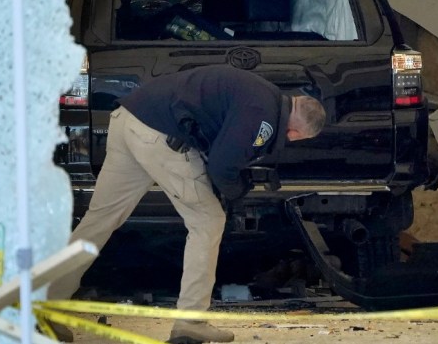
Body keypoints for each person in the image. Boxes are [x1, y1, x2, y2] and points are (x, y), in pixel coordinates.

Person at [46, 65, 326, 344]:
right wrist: (237, 190)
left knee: (100, 219)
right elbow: (222, 165)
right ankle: (190, 323)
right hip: (159, 136)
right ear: (297, 133)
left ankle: (44, 302)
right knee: (208, 221)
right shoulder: (263, 118)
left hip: (127, 118)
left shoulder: (263, 94)